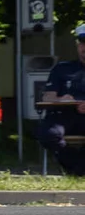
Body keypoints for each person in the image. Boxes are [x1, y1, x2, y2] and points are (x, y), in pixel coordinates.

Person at [36, 23, 85, 175]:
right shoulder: (62, 68)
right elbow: (47, 96)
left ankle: (77, 170)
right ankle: (76, 167)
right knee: (48, 134)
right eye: (82, 44)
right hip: (64, 116)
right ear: (78, 46)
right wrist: (60, 99)